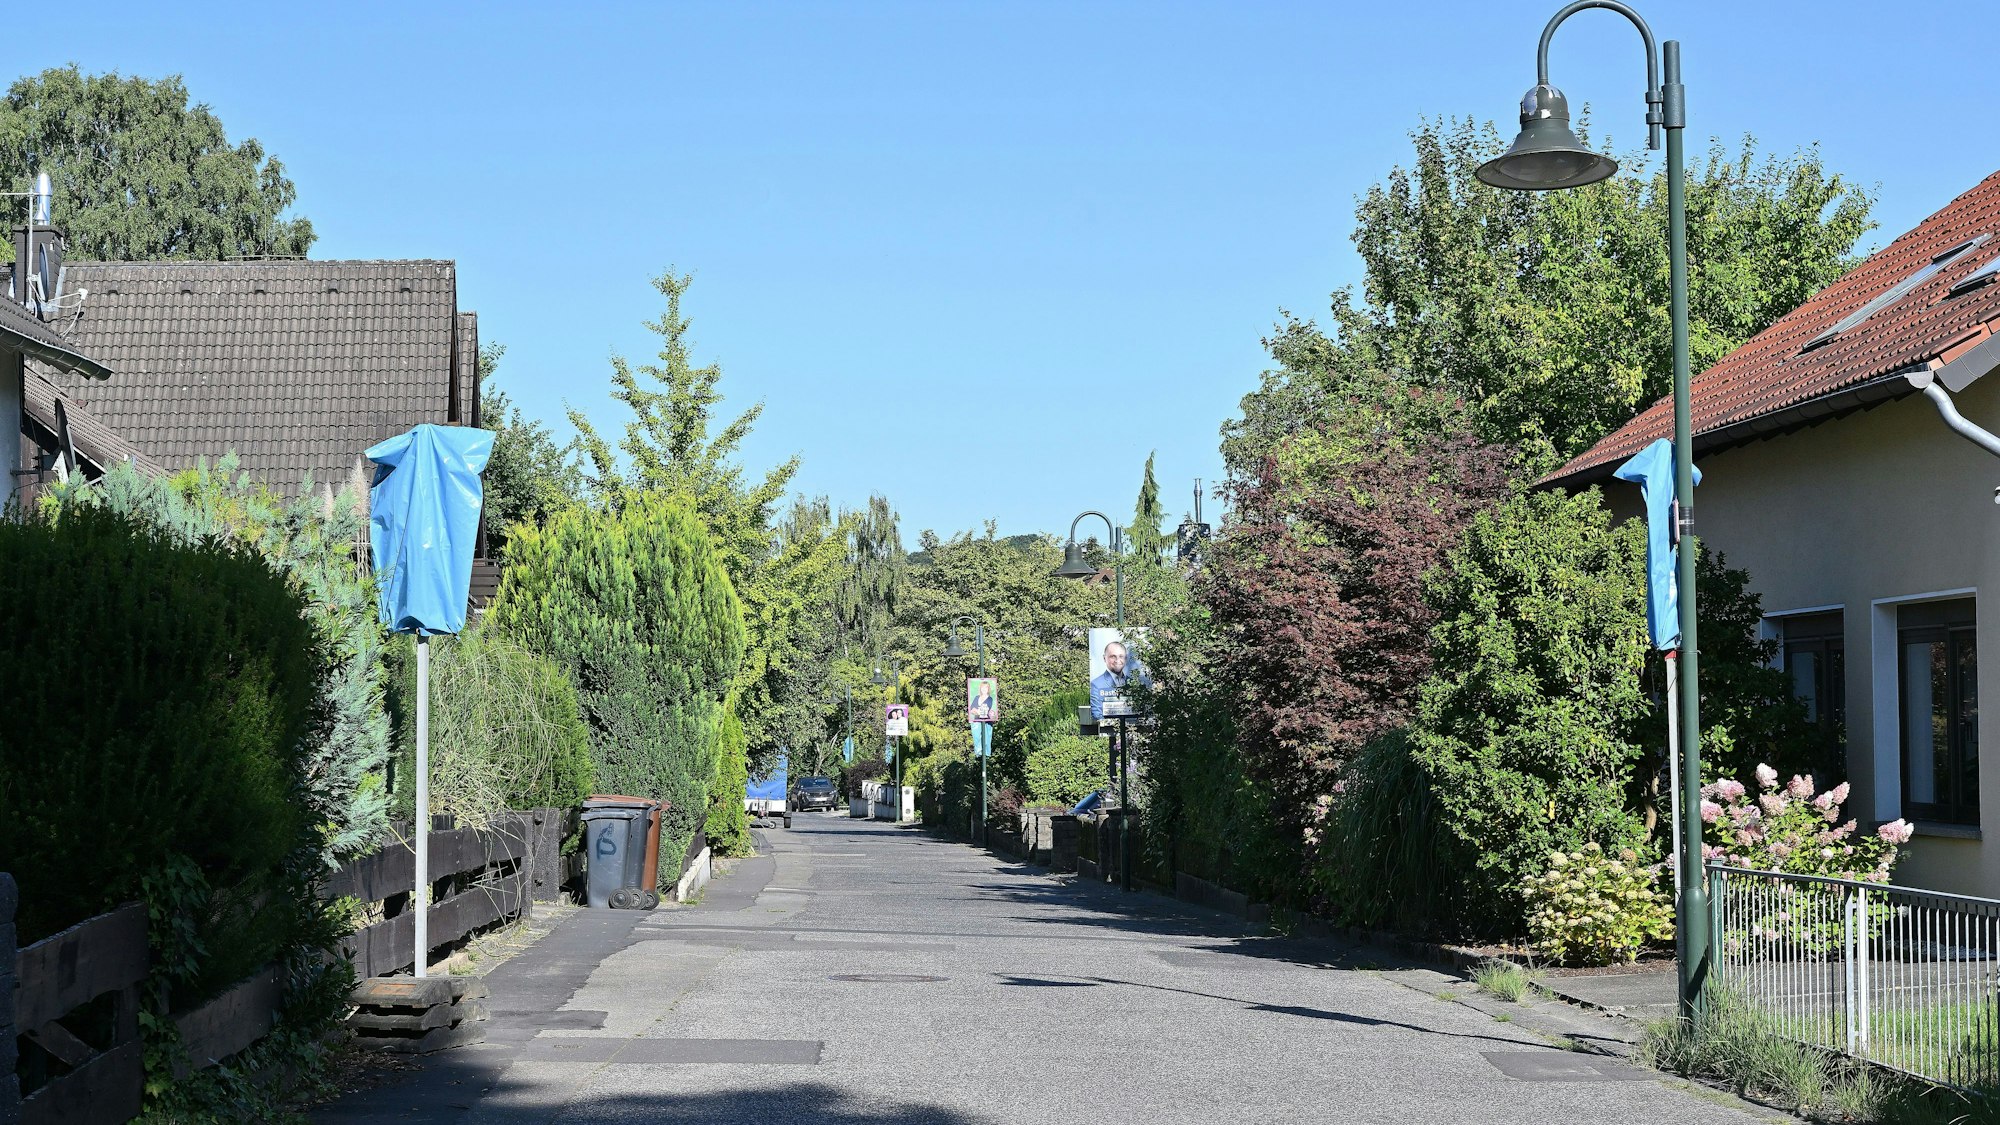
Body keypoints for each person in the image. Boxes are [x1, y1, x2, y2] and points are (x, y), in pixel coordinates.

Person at [1089, 639, 1150, 720]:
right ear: (1104, 658)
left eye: (1121, 656)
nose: (1117, 660)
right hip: (1108, 728)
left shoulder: (1134, 684)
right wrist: (1115, 725)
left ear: (1126, 658)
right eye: (1113, 656)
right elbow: (1097, 715)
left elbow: (1141, 711)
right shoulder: (1096, 684)